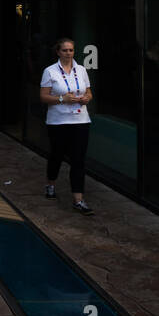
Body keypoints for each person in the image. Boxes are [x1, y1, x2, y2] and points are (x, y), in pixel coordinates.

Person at [40, 37, 94, 215]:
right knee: (57, 155)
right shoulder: (50, 72)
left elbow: (88, 91)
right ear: (58, 52)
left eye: (71, 50)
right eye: (65, 50)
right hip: (58, 122)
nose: (68, 53)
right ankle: (51, 183)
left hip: (80, 121)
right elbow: (44, 97)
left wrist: (87, 97)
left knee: (78, 160)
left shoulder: (81, 70)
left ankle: (78, 199)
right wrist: (62, 99)